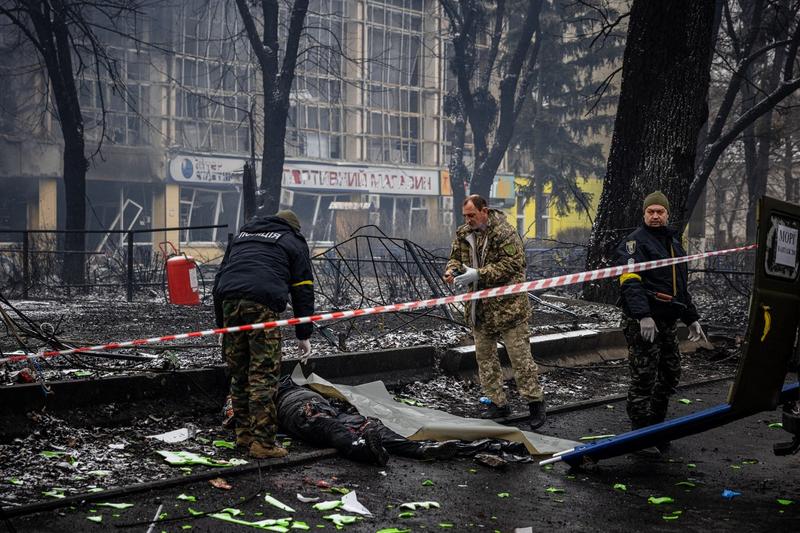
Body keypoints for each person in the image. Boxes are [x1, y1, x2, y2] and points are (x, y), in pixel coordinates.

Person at [213, 208, 314, 459]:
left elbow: (219, 280)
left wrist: (222, 327)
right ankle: (264, 444)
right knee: (263, 374)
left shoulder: (244, 236)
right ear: (294, 227)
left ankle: (243, 435)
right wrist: (303, 334)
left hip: (229, 301)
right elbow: (302, 289)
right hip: (261, 305)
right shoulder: (293, 240)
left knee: (239, 373)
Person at [443, 194, 546, 429]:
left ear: (484, 211)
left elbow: (513, 265)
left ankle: (535, 404)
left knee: (520, 360)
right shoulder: (464, 234)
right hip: (479, 309)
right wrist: (451, 271)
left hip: (509, 308)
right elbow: (456, 258)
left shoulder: (504, 232)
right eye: (465, 216)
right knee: (485, 359)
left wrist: (479, 274)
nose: (468, 220)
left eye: (472, 215)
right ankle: (497, 403)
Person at [615, 191, 707, 437]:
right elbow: (630, 282)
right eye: (650, 212)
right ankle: (639, 432)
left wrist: (691, 317)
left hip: (667, 321)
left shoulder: (674, 243)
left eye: (660, 212)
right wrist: (643, 315)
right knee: (644, 376)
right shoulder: (634, 243)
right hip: (644, 322)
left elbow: (680, 288)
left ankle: (655, 426)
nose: (655, 216)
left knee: (670, 373)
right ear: (644, 214)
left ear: (667, 214)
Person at [275, 375, 461, 465]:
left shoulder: (290, 380)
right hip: (298, 411)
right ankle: (365, 451)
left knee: (369, 425)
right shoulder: (262, 388)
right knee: (331, 427)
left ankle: (421, 450)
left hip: (327, 407)